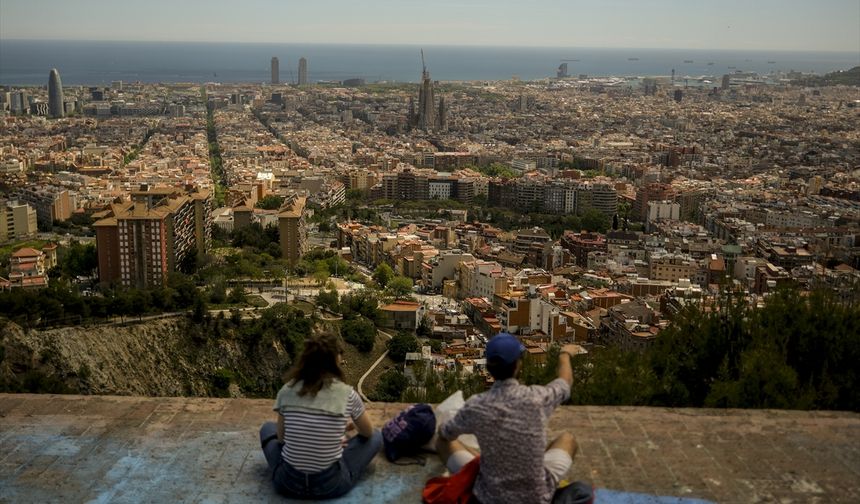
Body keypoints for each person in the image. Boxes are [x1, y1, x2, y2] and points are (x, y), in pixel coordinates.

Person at [435, 333, 581, 504]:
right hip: (536, 497)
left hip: (489, 497)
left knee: (443, 440)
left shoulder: (476, 405)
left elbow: (445, 433)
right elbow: (565, 382)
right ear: (518, 364)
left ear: (488, 367)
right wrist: (565, 354)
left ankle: (473, 472)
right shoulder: (537, 398)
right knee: (567, 439)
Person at [259, 333, 382, 499]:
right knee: (376, 437)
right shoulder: (347, 394)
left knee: (267, 428)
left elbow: (281, 439)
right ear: (335, 362)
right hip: (330, 485)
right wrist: (334, 434)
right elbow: (367, 433)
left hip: (288, 483)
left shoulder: (287, 390)